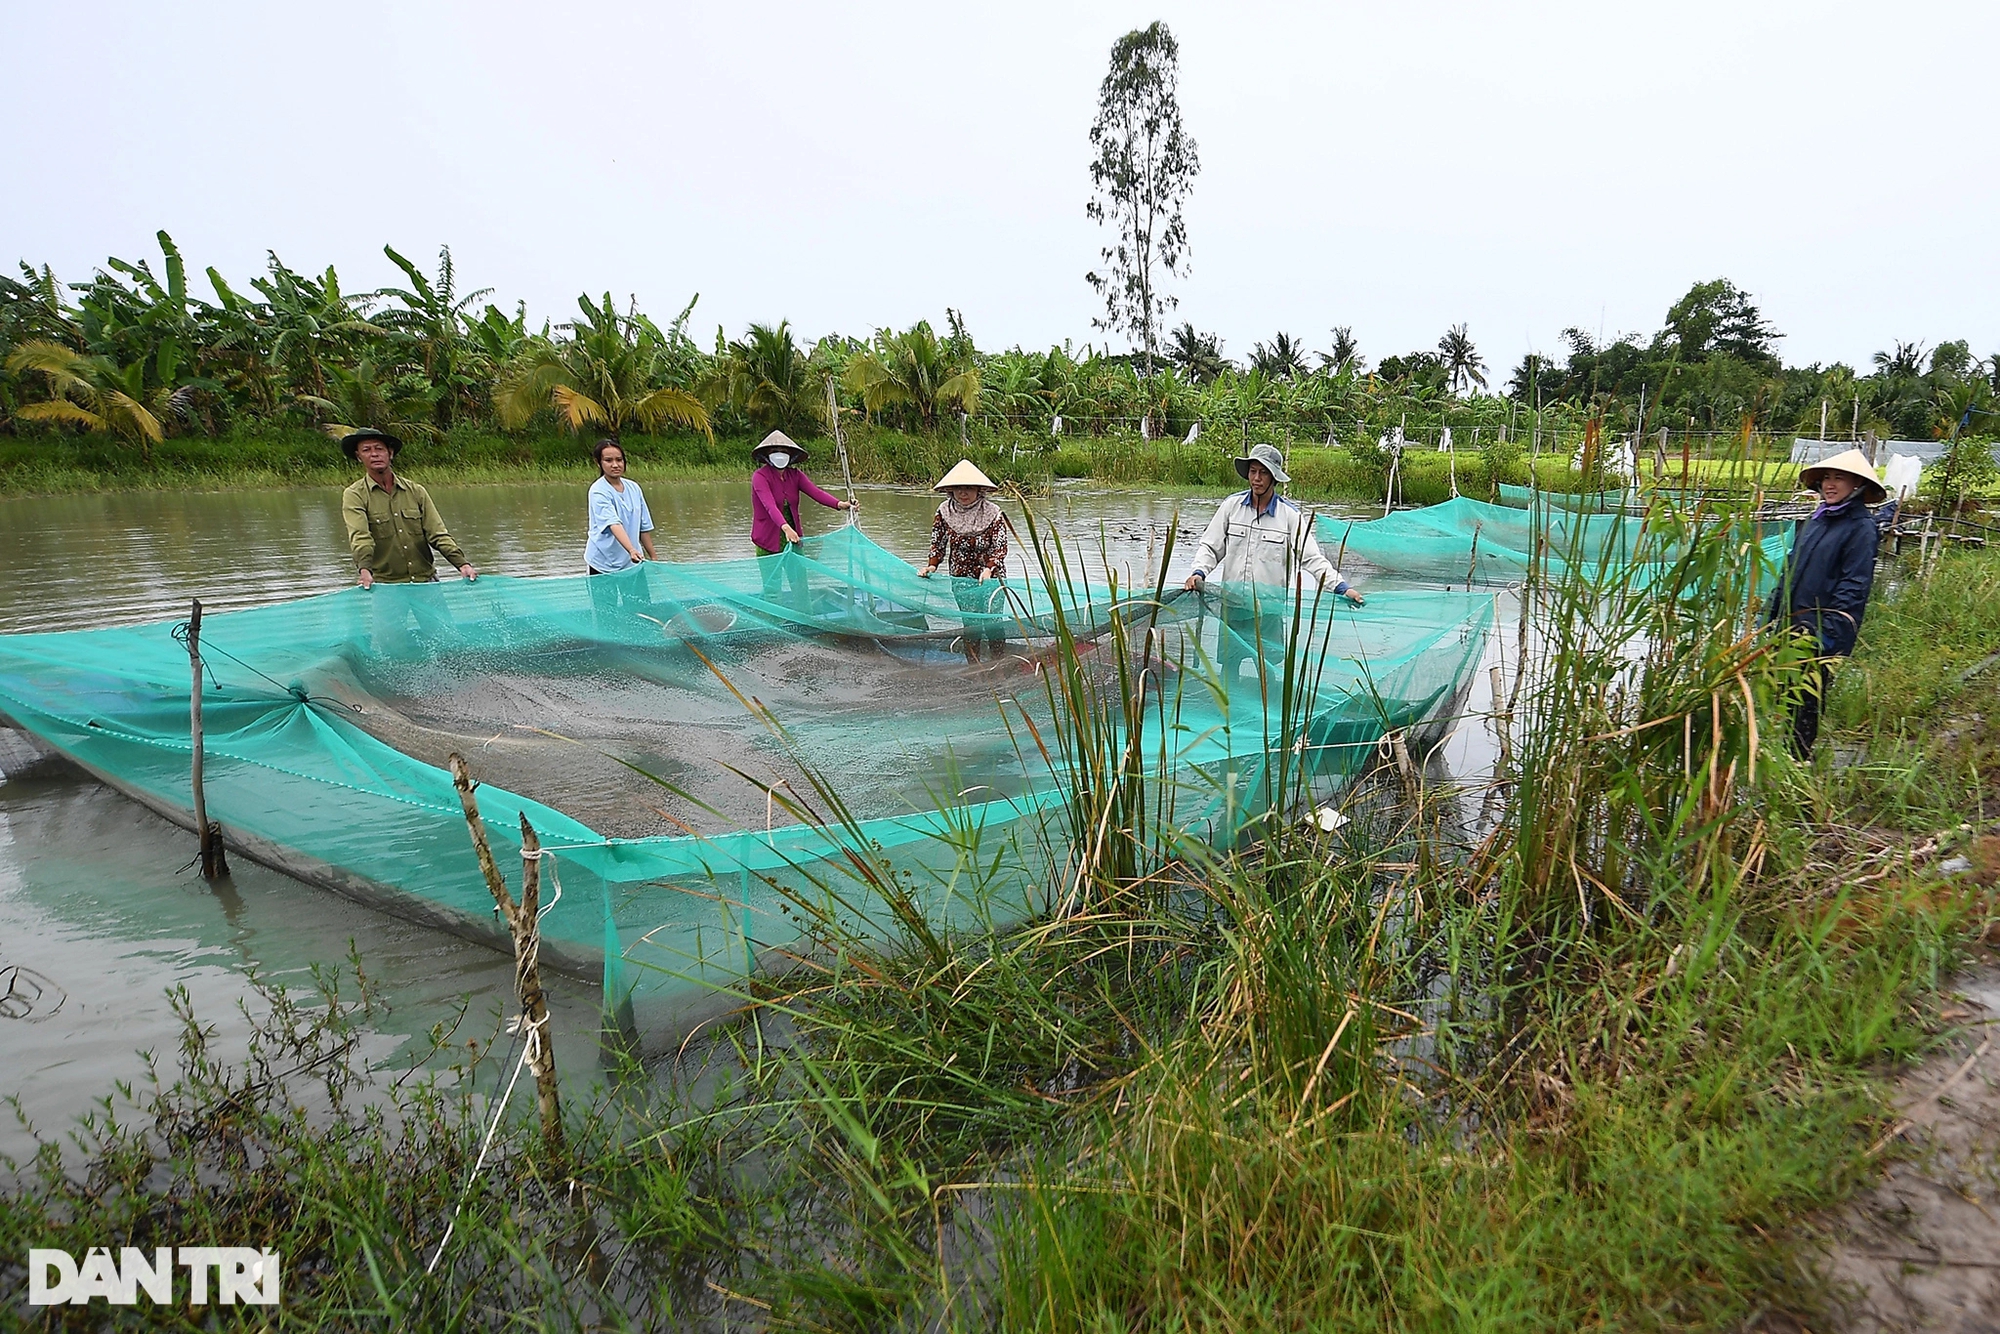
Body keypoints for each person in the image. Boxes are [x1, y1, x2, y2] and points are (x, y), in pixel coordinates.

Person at [1182, 442, 1361, 684]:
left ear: (1274, 478)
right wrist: (1198, 572)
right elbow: (1211, 547)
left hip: (1267, 613)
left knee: (1267, 674)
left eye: (1263, 472)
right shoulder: (1231, 507)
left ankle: (1270, 718)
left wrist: (1341, 587)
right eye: (1253, 471)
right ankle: (1229, 716)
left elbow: (1312, 559)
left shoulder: (1289, 517)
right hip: (1232, 608)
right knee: (1229, 671)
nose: (1256, 478)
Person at [1766, 447, 1885, 758]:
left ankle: (1798, 765)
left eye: (1839, 479)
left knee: (1807, 701)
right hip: (1789, 627)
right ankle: (1780, 761)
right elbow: (1789, 570)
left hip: (1819, 633)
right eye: (1826, 479)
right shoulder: (1817, 520)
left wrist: (1826, 635)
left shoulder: (1860, 528)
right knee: (1782, 696)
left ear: (1857, 485)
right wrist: (1771, 614)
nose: (1830, 485)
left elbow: (1854, 587)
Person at [340, 429, 476, 587]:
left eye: (379, 448)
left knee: (436, 614)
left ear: (390, 453)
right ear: (358, 457)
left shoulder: (416, 491)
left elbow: (437, 534)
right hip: (385, 586)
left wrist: (462, 564)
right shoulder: (355, 495)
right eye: (366, 450)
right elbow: (360, 537)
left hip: (425, 580)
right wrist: (365, 570)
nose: (374, 454)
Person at [918, 459, 1010, 663]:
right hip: (961, 576)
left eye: (969, 488)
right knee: (970, 622)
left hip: (991, 578)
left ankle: (999, 665)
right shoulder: (944, 511)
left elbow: (1000, 546)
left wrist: (989, 569)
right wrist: (932, 564)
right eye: (959, 488)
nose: (963, 493)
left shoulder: (993, 512)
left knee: (993, 622)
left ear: (979, 490)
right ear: (951, 490)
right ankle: (974, 667)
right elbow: (938, 541)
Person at [750, 430, 853, 611]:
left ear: (791, 455)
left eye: (784, 450)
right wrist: (786, 528)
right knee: (773, 591)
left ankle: (806, 620)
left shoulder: (795, 476)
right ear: (767, 455)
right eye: (775, 450)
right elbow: (769, 506)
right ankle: (778, 628)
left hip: (794, 542)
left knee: (800, 586)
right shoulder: (760, 477)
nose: (779, 454)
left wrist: (840, 504)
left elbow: (817, 493)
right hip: (767, 542)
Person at [585, 439, 656, 573]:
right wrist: (631, 549)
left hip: (633, 561)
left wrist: (653, 556)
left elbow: (643, 527)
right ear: (598, 463)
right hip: (603, 563)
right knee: (604, 595)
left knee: (639, 595)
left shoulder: (634, 487)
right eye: (608, 460)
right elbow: (614, 524)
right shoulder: (598, 491)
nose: (615, 465)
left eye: (619, 460)